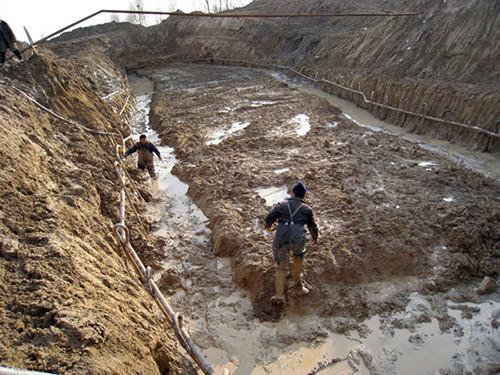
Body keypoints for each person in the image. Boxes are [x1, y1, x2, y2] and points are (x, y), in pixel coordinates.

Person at [265, 182, 319, 304]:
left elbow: (269, 219)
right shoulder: (307, 210)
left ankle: (279, 296)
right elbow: (312, 226)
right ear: (303, 196)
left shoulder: (281, 205)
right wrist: (315, 238)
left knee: (281, 266)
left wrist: (269, 227)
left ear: (293, 193)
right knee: (298, 259)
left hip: (282, 238)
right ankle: (296, 285)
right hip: (298, 239)